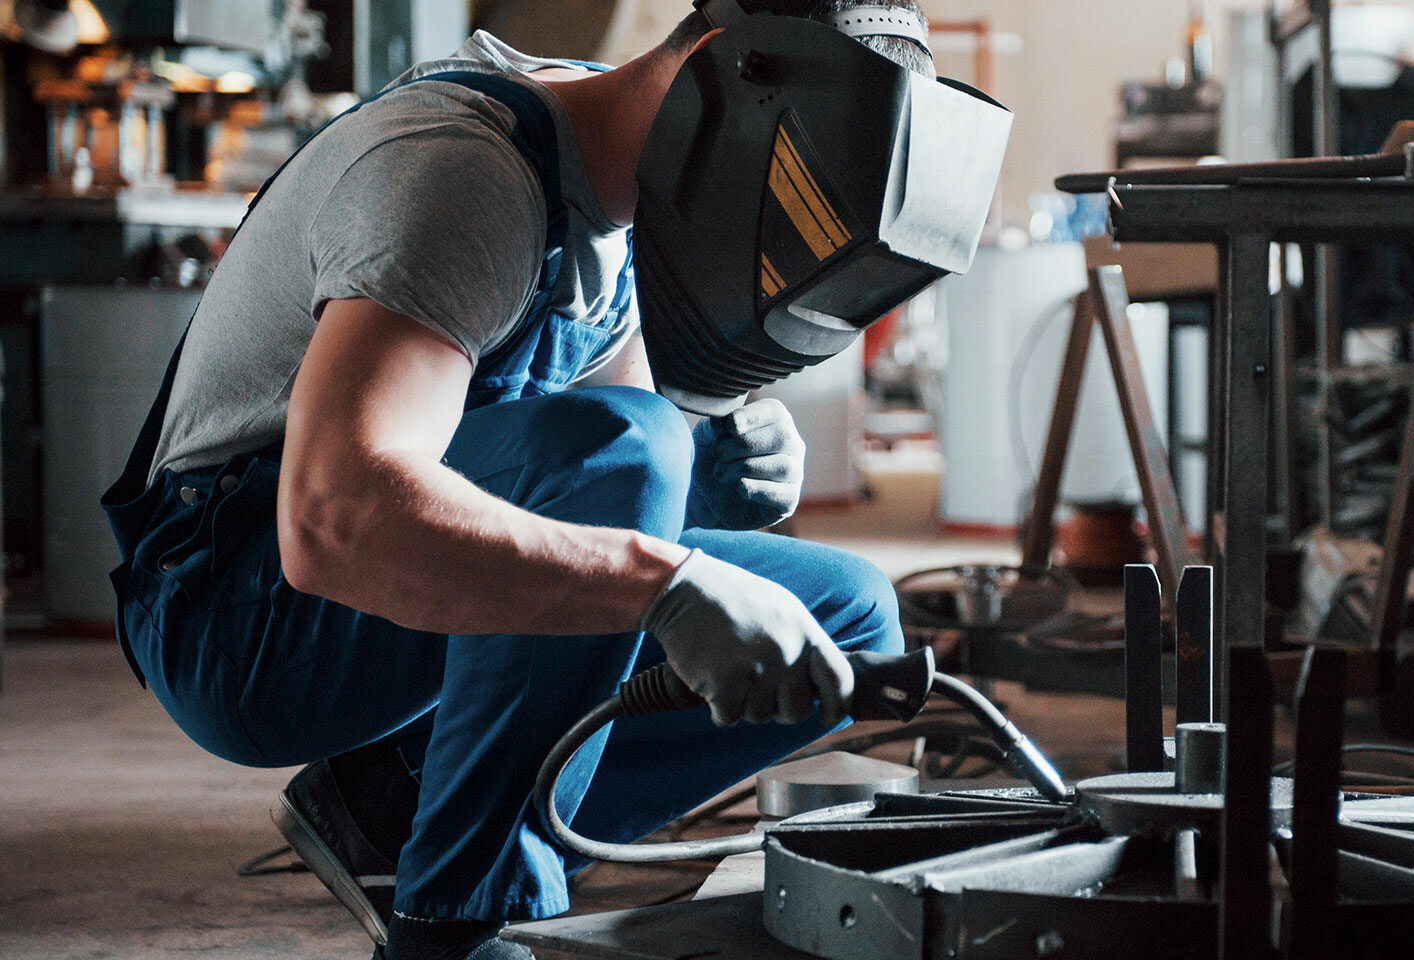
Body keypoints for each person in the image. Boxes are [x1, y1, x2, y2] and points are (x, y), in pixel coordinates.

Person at [97, 3, 1000, 959]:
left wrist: (707, 480)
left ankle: (396, 798)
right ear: (721, 73)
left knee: (848, 618)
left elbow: (574, 479)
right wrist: (669, 578)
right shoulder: (464, 176)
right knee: (626, 450)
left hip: (360, 583)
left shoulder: (616, 196)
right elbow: (334, 520)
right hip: (238, 613)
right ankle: (453, 921)